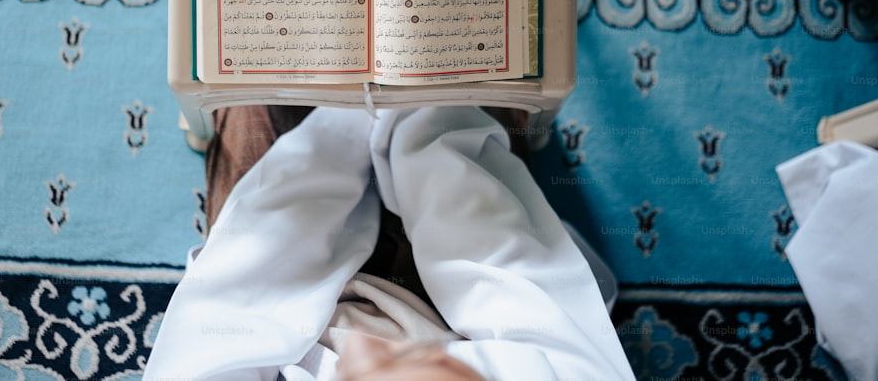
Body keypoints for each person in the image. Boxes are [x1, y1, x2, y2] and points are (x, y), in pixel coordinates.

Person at [144, 105, 634, 380]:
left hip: (292, 320)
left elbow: (233, 302)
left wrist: (349, 117)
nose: (364, 350)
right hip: (469, 313)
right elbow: (508, 264)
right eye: (399, 359)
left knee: (259, 105)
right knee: (479, 90)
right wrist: (417, 115)